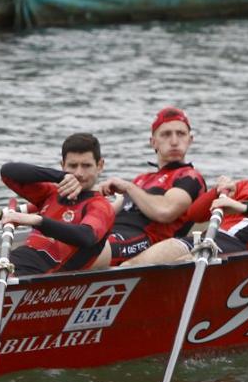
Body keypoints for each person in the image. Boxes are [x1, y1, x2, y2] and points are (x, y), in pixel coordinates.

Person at [126, 122, 248, 265]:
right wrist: (217, 191)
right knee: (134, 266)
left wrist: (245, 208)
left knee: (175, 271)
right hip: (206, 238)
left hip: (240, 251)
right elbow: (194, 215)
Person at [0, 132, 115, 283]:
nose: (79, 173)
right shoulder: (51, 194)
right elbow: (9, 172)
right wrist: (58, 176)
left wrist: (37, 220)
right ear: (62, 166)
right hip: (11, 260)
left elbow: (86, 236)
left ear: (100, 166)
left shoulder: (99, 206)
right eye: (72, 166)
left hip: (42, 275)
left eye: (86, 166)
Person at [88, 107, 207, 268]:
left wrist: (128, 187)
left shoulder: (189, 177)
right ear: (153, 142)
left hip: (144, 240)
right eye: (166, 134)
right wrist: (94, 196)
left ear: (190, 140)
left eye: (181, 134)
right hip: (112, 231)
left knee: (85, 252)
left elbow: (165, 211)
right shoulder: (141, 179)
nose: (174, 141)